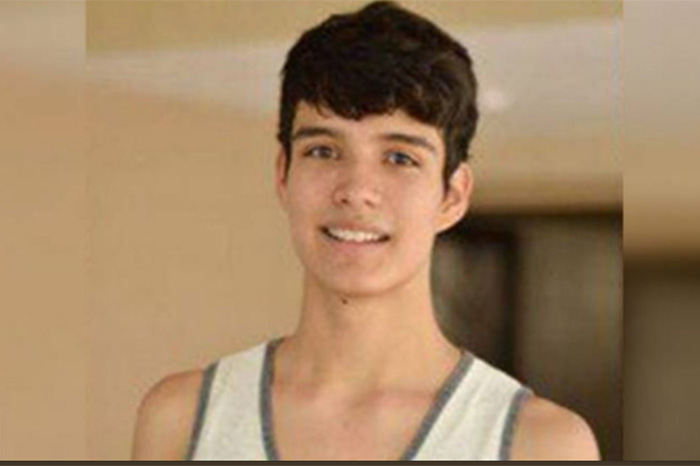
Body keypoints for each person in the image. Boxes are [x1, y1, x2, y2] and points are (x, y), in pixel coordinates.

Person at [131, 1, 600, 460]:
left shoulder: (540, 444)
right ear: (283, 174)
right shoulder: (182, 421)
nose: (356, 191)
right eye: (323, 151)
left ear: (452, 196)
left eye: (400, 158)